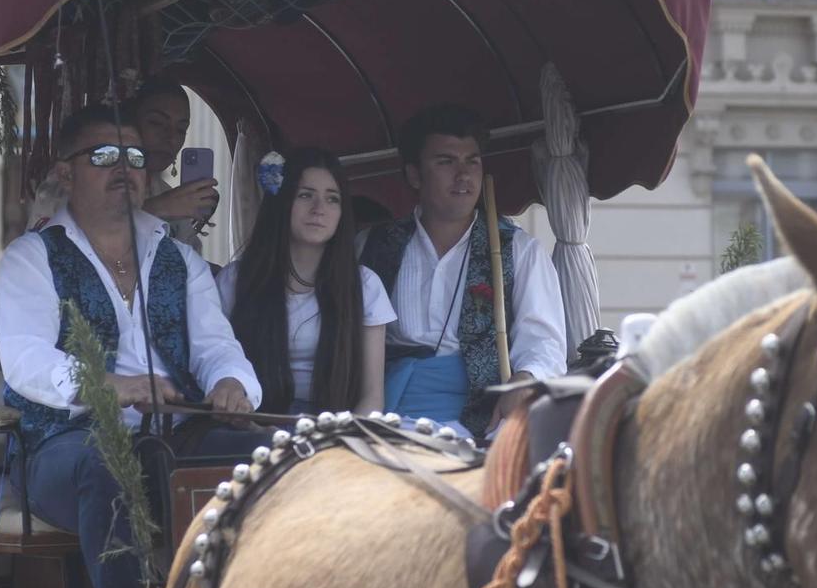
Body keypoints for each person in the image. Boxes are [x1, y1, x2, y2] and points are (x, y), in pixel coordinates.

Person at [0, 102, 259, 588]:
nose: (125, 168)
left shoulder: (178, 258)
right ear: (66, 173)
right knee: (109, 464)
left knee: (265, 457)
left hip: (172, 431)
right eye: (105, 155)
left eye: (135, 157)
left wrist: (233, 386)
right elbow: (26, 359)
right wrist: (110, 386)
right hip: (62, 441)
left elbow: (218, 347)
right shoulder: (33, 257)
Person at [356, 105, 567, 438]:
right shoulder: (371, 246)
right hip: (386, 411)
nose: (463, 174)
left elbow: (544, 344)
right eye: (445, 162)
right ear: (414, 175)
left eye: (473, 161)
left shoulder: (517, 249)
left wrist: (524, 380)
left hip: (483, 417)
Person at [217, 148, 394, 416]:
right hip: (253, 425)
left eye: (332, 199)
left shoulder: (365, 285)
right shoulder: (235, 280)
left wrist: (343, 443)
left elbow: (371, 398)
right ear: (282, 202)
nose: (319, 209)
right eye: (305, 195)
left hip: (334, 430)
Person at [129, 76, 220, 246]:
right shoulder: (94, 182)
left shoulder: (168, 194)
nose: (170, 137)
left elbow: (188, 259)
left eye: (180, 129)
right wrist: (158, 208)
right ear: (130, 122)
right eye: (156, 123)